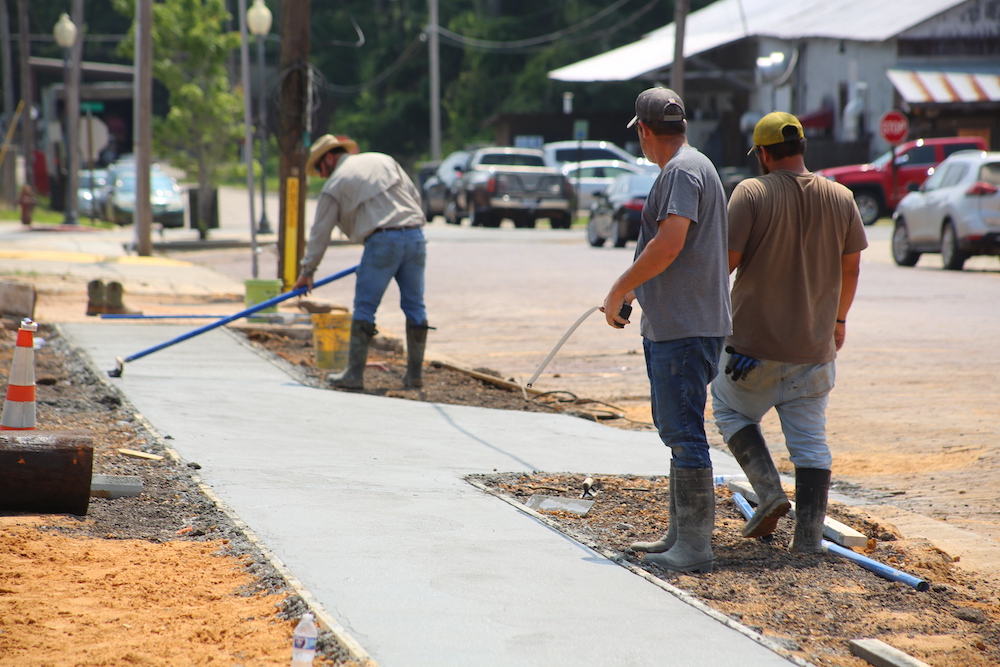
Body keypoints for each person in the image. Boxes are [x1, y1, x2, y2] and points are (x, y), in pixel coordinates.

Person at [711, 112, 868, 553]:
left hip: (750, 350)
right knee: (811, 445)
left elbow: (725, 263)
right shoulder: (841, 197)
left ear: (762, 154)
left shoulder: (751, 192)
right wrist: (838, 321)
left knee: (730, 410)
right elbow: (852, 267)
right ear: (802, 148)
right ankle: (807, 543)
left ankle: (768, 493)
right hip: (814, 349)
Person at [602, 88, 732, 573]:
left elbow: (670, 242)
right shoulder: (696, 165)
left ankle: (694, 548)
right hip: (686, 322)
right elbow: (681, 250)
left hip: (684, 327)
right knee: (678, 429)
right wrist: (637, 293)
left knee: (684, 433)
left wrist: (619, 287)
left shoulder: (679, 171)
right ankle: (680, 535)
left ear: (643, 130)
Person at [293, 135, 429, 391]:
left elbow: (320, 232)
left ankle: (353, 375)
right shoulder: (383, 160)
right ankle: (414, 376)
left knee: (365, 307)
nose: (321, 174)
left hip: (382, 242)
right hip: (415, 237)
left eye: (320, 168)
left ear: (329, 158)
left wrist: (307, 271)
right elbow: (414, 197)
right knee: (415, 306)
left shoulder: (336, 184)